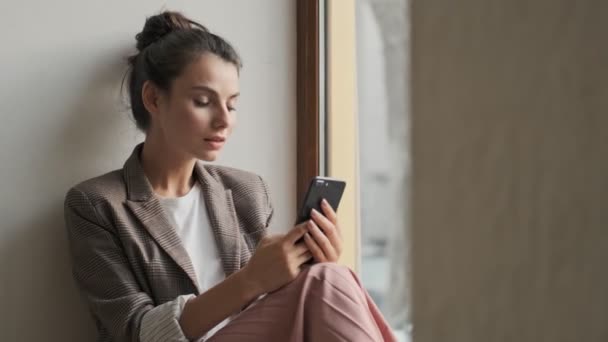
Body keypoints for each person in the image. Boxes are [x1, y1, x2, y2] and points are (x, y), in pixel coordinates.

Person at [64, 10, 396, 342]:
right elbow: (135, 332)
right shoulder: (96, 205)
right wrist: (251, 279)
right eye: (203, 101)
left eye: (232, 105)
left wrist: (307, 266)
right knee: (329, 280)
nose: (224, 120)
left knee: (327, 275)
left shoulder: (247, 191)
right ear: (153, 98)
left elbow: (270, 312)